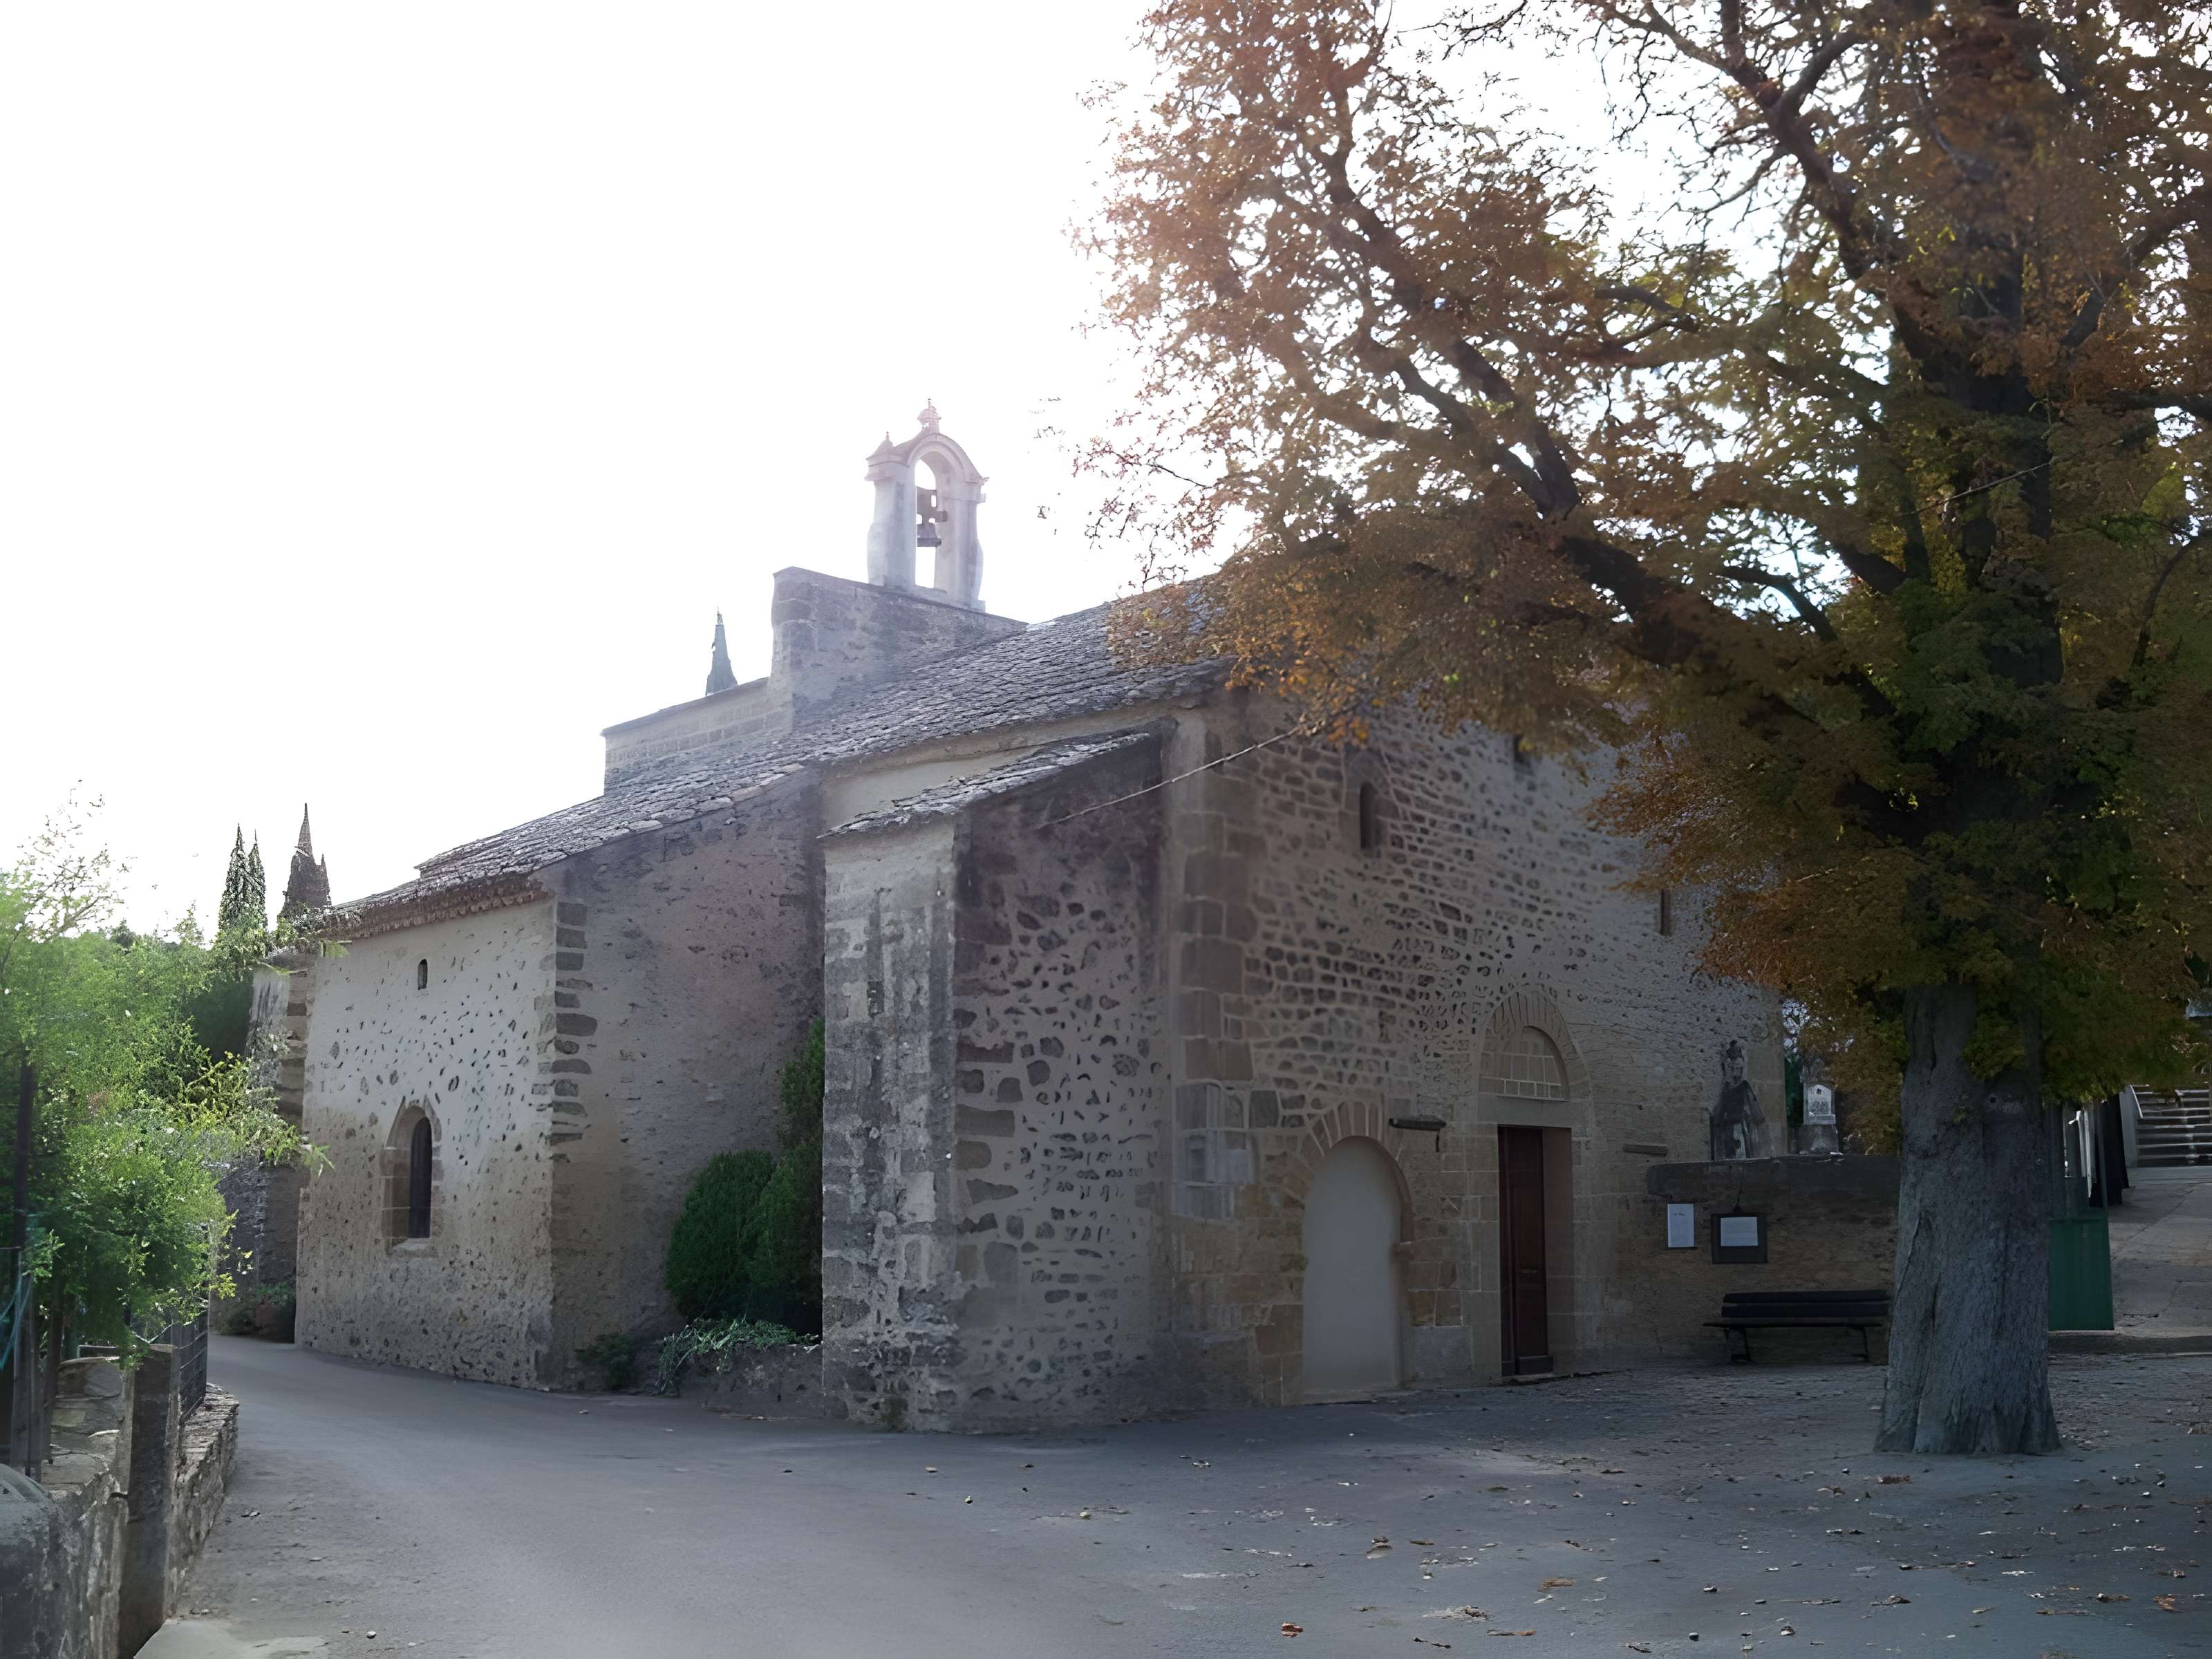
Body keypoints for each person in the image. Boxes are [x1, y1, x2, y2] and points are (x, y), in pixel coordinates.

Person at [1707, 1038, 1767, 1161]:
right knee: (1729, 1154)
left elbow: (1754, 1109)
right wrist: (1717, 1117)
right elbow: (1720, 1111)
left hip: (1741, 1126)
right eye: (1736, 1068)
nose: (1738, 1071)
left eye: (1740, 1068)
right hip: (1728, 1128)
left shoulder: (1744, 1087)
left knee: (1742, 1153)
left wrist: (1752, 1117)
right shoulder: (1726, 1088)